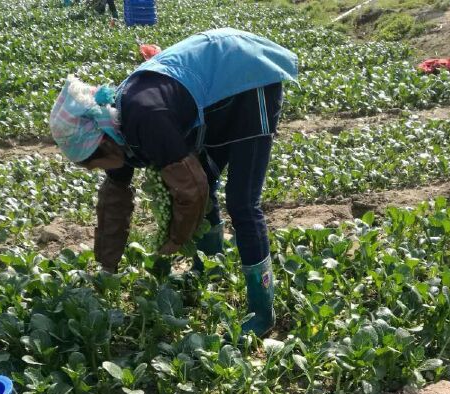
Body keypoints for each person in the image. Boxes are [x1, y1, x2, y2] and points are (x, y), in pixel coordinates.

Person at [49, 27, 298, 337]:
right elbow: (115, 197)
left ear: (102, 145)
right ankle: (209, 266)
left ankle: (262, 312)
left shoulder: (144, 119)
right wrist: (106, 267)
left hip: (246, 77)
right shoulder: (114, 131)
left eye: (92, 164)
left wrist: (175, 239)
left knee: (242, 202)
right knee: (205, 176)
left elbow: (191, 191)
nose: (94, 170)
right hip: (215, 96)